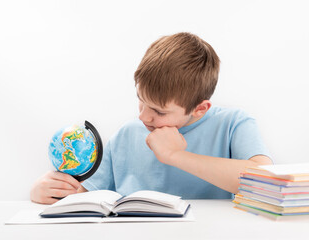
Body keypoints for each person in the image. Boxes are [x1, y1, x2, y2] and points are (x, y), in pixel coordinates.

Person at [30, 32, 272, 204]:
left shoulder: (233, 124)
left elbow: (266, 183)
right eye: (141, 100)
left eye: (159, 111)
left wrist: (177, 156)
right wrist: (47, 191)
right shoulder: (127, 134)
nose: (143, 116)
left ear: (200, 108)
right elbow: (82, 195)